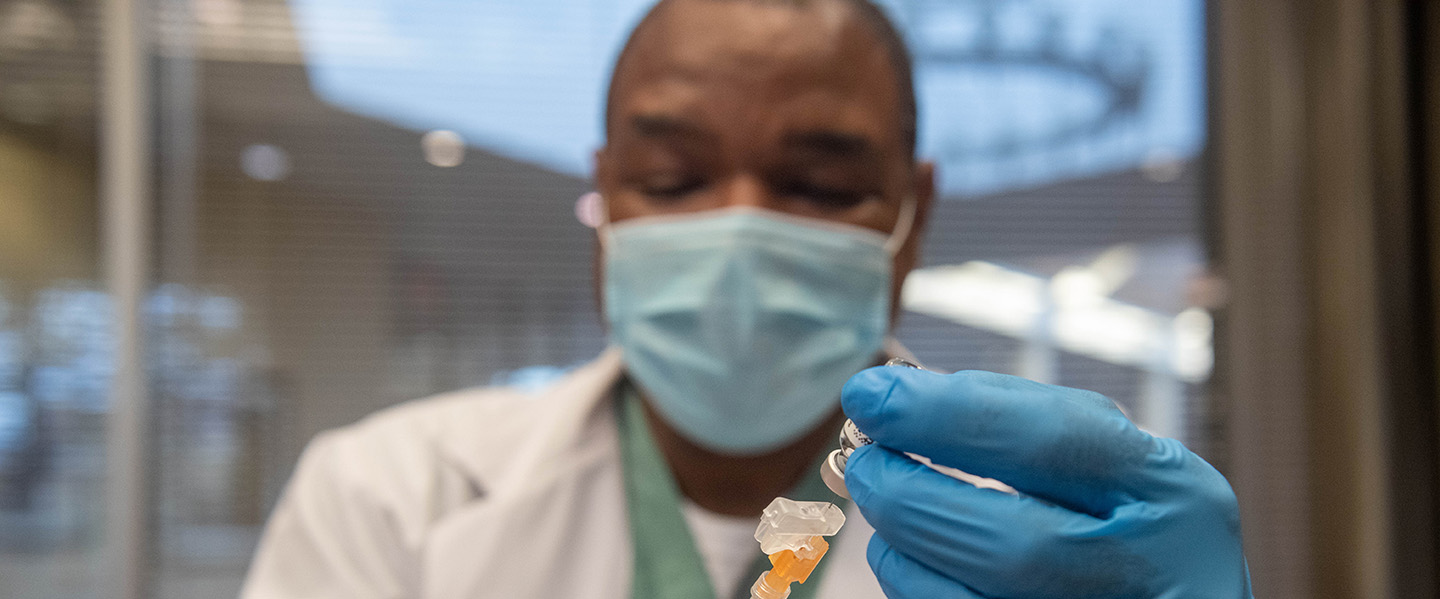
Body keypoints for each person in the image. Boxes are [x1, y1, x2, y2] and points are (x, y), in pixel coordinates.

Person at [241, 0, 1252, 597]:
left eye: (817, 187)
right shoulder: (388, 499)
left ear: (913, 213)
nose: (738, 235)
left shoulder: (1046, 542)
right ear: (605, 197)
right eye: (674, 180)